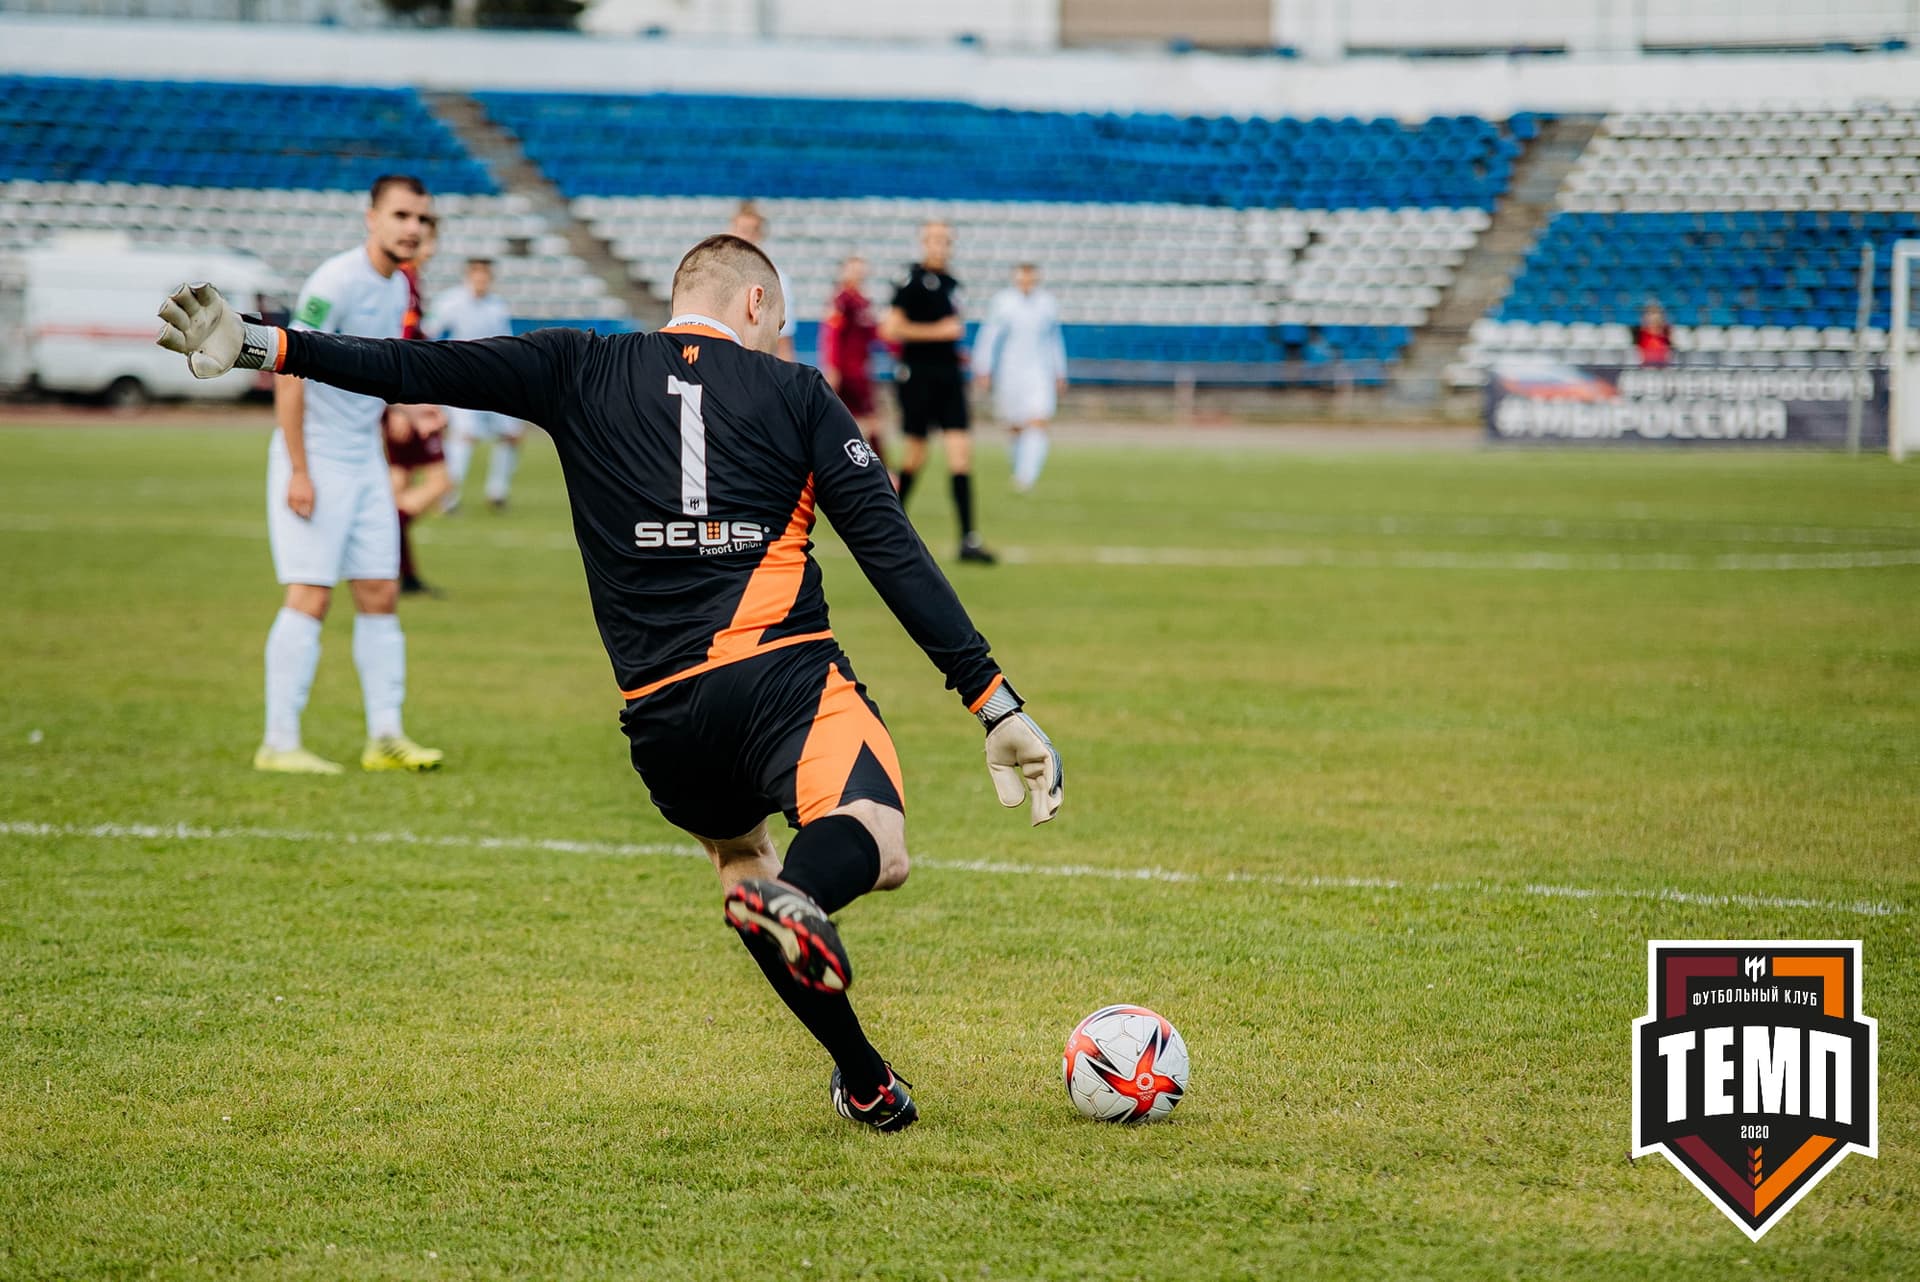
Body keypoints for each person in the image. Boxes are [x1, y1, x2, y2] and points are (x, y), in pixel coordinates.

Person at [156, 233, 1064, 1132]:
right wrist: (993, 700)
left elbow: (414, 368)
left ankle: (863, 1076)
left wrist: (260, 343)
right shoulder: (795, 392)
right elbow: (891, 550)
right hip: (785, 678)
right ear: (753, 304)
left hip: (665, 722)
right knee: (877, 842)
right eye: (779, 323)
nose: (781, 342)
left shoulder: (574, 364)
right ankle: (803, 900)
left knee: (747, 864)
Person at [252, 173, 444, 775]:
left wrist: (406, 409)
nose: (412, 228)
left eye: (421, 219)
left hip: (364, 459)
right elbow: (289, 369)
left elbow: (375, 372)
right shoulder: (333, 282)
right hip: (316, 458)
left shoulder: (399, 288)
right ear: (372, 218)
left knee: (380, 593)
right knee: (310, 595)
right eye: (401, 216)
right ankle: (279, 743)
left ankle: (384, 736)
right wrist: (300, 470)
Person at [882, 221, 993, 564]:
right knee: (915, 454)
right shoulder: (911, 280)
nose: (938, 246)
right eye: (932, 240)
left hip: (949, 377)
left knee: (961, 454)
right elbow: (891, 328)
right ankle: (888, 529)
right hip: (919, 376)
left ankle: (968, 538)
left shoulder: (953, 284)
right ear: (923, 242)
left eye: (944, 241)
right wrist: (938, 332)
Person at [427, 257, 523, 511]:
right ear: (468, 276)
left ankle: (497, 492)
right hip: (462, 378)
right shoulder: (451, 302)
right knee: (465, 436)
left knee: (511, 434)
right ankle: (447, 497)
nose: (481, 281)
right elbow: (428, 334)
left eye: (485, 277)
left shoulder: (497, 306)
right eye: (477, 276)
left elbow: (506, 343)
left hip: (493, 379)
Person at [973, 263, 1068, 494]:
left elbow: (1054, 340)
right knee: (1015, 425)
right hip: (1010, 372)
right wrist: (983, 368)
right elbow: (989, 337)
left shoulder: (1047, 303)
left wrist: (1059, 372)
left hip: (1039, 372)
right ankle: (1019, 469)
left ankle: (1026, 476)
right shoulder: (1003, 303)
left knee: (1039, 419)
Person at [821, 254, 886, 472]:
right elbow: (831, 335)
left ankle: (875, 470)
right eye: (854, 269)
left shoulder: (864, 303)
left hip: (861, 373)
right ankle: (875, 470)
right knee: (845, 422)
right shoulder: (841, 301)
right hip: (845, 372)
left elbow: (875, 335)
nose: (858, 274)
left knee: (869, 423)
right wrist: (832, 366)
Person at [383, 402, 452, 596]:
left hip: (414, 407)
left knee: (397, 485)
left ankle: (406, 577)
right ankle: (386, 531)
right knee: (439, 484)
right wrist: (399, 409)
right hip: (412, 407)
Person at [728, 202, 796, 362]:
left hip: (757, 369)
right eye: (742, 230)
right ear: (732, 231)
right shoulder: (714, 276)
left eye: (753, 231)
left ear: (760, 235)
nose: (746, 237)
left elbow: (784, 341)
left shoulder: (777, 279)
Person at [1633, 301, 1673, 368]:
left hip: (1662, 368)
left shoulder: (1667, 333)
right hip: (1645, 368)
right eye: (1650, 313)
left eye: (1656, 313)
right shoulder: (1639, 333)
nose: (1654, 317)